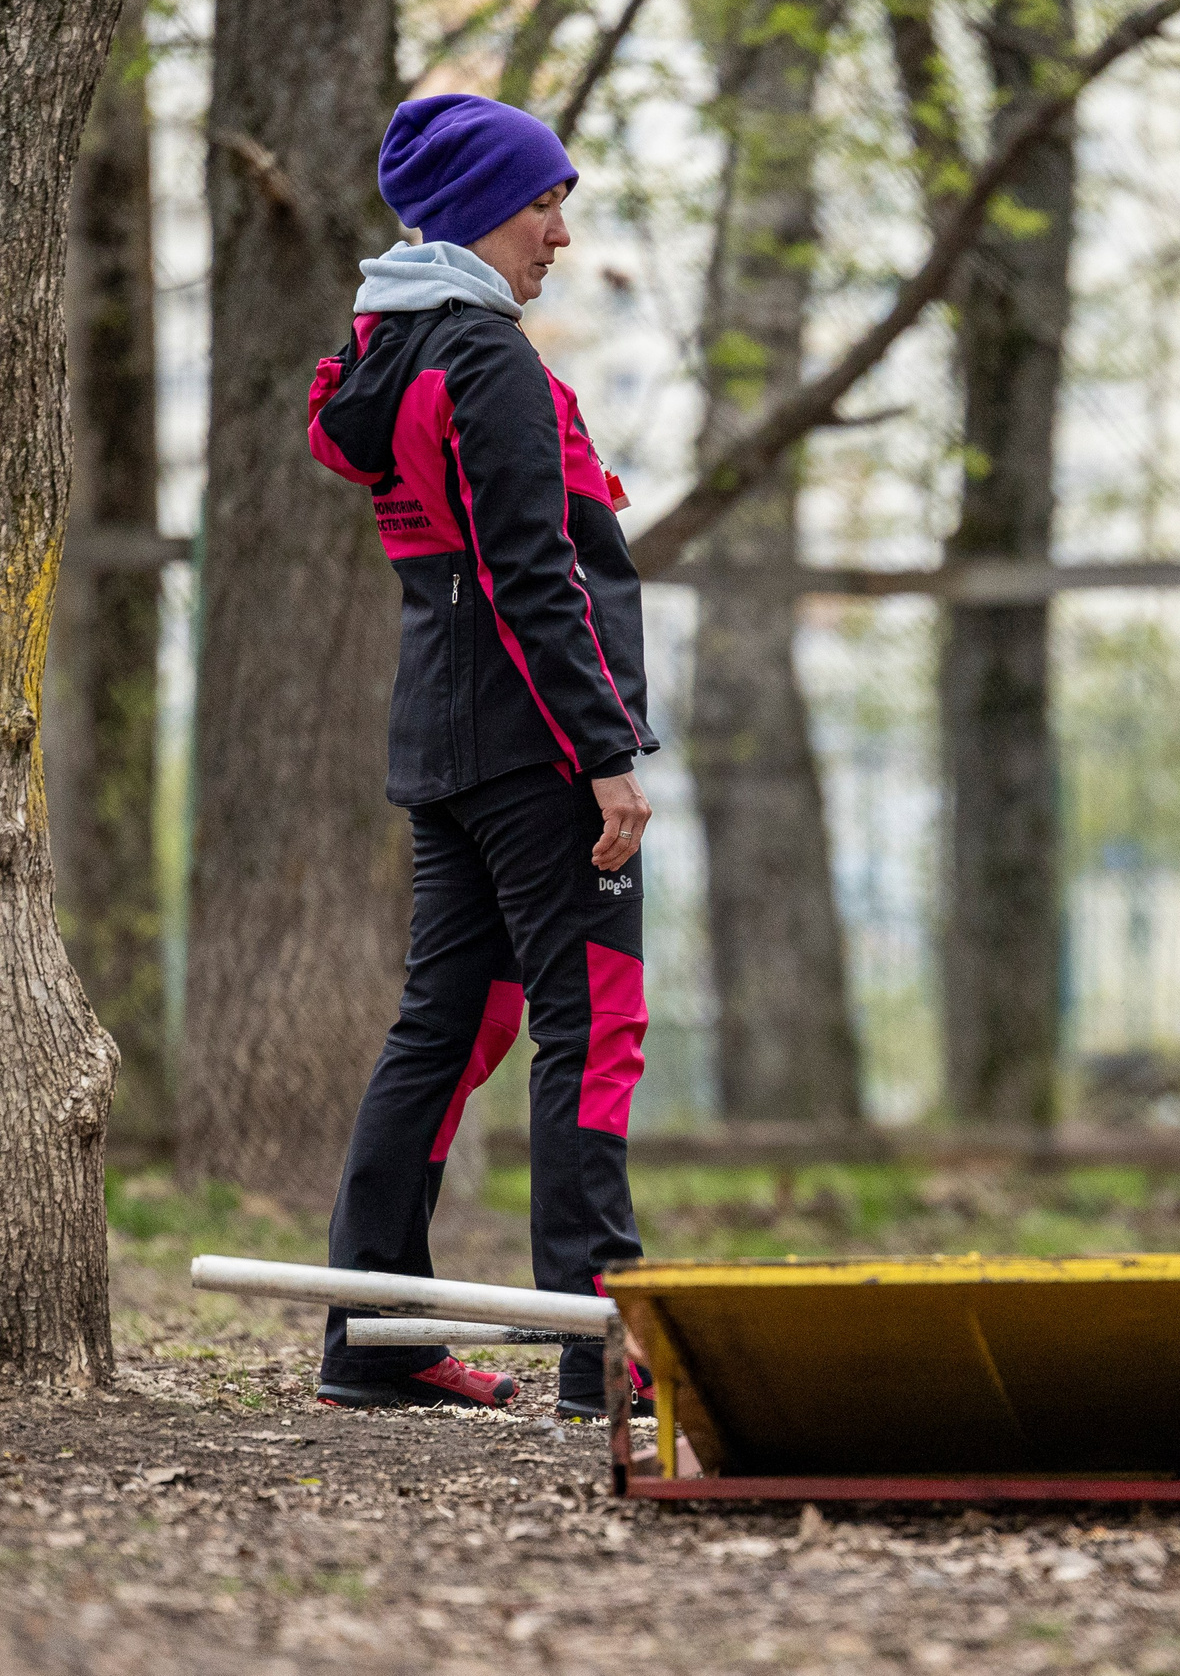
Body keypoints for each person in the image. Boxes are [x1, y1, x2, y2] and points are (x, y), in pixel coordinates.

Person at [304, 93, 659, 1418]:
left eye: (562, 201)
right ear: (470, 213)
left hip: (444, 739)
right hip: (539, 746)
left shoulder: (390, 356)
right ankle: (597, 1349)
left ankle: (375, 1339)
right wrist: (608, 752)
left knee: (453, 1023)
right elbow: (534, 573)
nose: (559, 233)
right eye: (540, 203)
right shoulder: (491, 362)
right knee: (593, 1018)